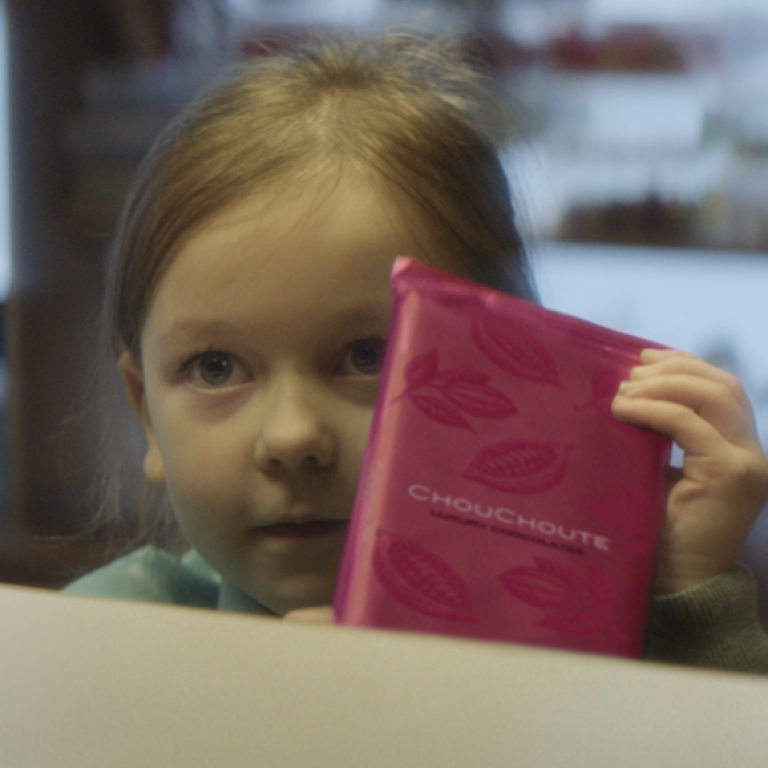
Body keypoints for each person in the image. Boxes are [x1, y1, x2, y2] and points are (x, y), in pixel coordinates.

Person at [64, 34, 768, 673]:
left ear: (519, 374)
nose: (292, 437)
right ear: (148, 415)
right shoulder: (98, 641)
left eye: (369, 356)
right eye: (215, 369)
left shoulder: (594, 641)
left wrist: (690, 598)